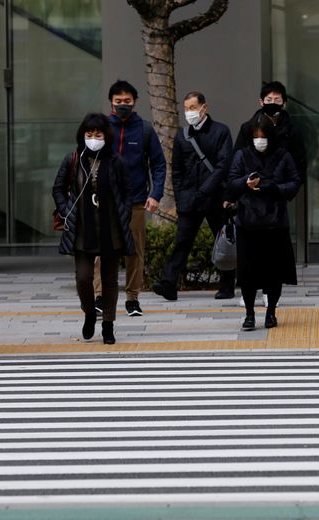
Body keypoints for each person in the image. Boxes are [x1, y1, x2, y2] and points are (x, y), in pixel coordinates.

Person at [53, 113, 136, 345]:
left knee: (110, 280)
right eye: (89, 134)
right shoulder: (73, 159)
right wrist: (65, 210)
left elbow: (128, 191)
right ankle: (90, 312)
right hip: (82, 228)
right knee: (83, 277)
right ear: (82, 135)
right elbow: (58, 188)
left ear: (106, 136)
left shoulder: (116, 161)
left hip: (111, 227)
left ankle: (108, 324)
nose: (93, 138)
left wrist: (125, 213)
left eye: (98, 134)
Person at [152, 91, 235, 301]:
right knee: (182, 241)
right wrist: (180, 198)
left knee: (223, 240)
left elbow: (222, 166)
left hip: (215, 197)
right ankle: (168, 283)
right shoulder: (182, 135)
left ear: (203, 108)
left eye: (193, 108)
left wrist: (205, 189)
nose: (189, 112)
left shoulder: (221, 131)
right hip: (190, 199)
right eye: (186, 108)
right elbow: (177, 170)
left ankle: (226, 285)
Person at [93, 80, 166, 317]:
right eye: (118, 101)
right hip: (105, 201)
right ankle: (100, 296)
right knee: (102, 251)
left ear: (134, 102)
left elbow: (158, 164)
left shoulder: (144, 129)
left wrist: (155, 195)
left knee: (134, 252)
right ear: (111, 103)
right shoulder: (101, 129)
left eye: (127, 101)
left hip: (135, 201)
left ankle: (132, 298)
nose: (123, 105)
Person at [233, 81, 307, 308]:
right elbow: (236, 161)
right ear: (261, 102)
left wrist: (282, 190)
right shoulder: (248, 128)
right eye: (268, 100)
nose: (272, 104)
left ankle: (269, 292)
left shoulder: (292, 131)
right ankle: (249, 296)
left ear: (284, 102)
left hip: (275, 203)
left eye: (277, 100)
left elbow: (299, 167)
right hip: (249, 203)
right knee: (249, 255)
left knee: (272, 254)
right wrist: (241, 187)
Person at [227, 116, 301, 331]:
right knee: (248, 273)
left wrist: (275, 188)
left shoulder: (282, 155)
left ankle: (271, 313)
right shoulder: (242, 155)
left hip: (275, 222)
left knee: (273, 272)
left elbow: (294, 182)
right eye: (256, 136)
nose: (260, 140)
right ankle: (249, 314)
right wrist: (245, 183)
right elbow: (232, 182)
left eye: (264, 136)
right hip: (248, 222)